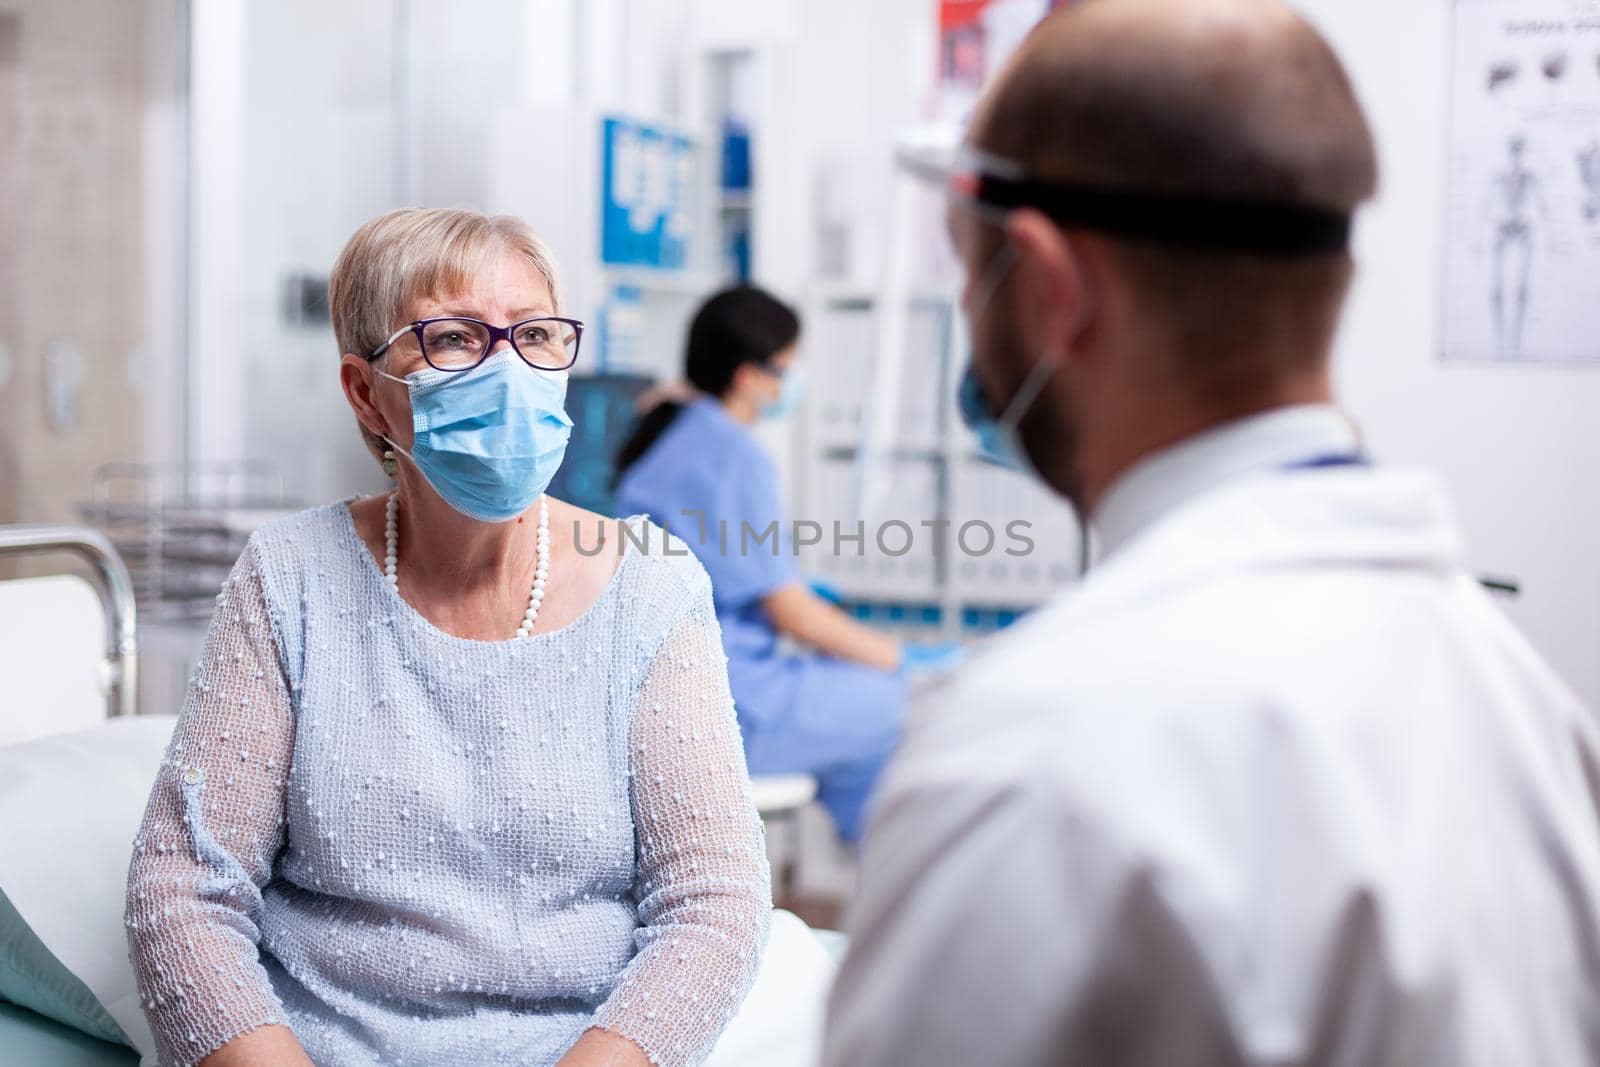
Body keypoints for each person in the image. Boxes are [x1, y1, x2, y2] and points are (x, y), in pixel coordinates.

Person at [825, 2, 1600, 1065]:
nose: (969, 314)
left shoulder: (1025, 757)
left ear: (1053, 287)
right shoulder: (1528, 709)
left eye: (973, 272)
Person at [125, 208, 770, 1067]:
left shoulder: (651, 585)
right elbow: (183, 892)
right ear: (366, 393)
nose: (508, 371)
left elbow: (714, 903)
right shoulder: (289, 579)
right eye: (455, 340)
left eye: (536, 335)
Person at [615, 287, 957, 843]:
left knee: (863, 748)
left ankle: (883, 885)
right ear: (750, 376)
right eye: (789, 368)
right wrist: (908, 661)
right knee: (909, 708)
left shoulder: (678, 433)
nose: (795, 382)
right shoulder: (730, 454)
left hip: (682, 694)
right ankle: (896, 897)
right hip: (730, 702)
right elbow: (791, 613)